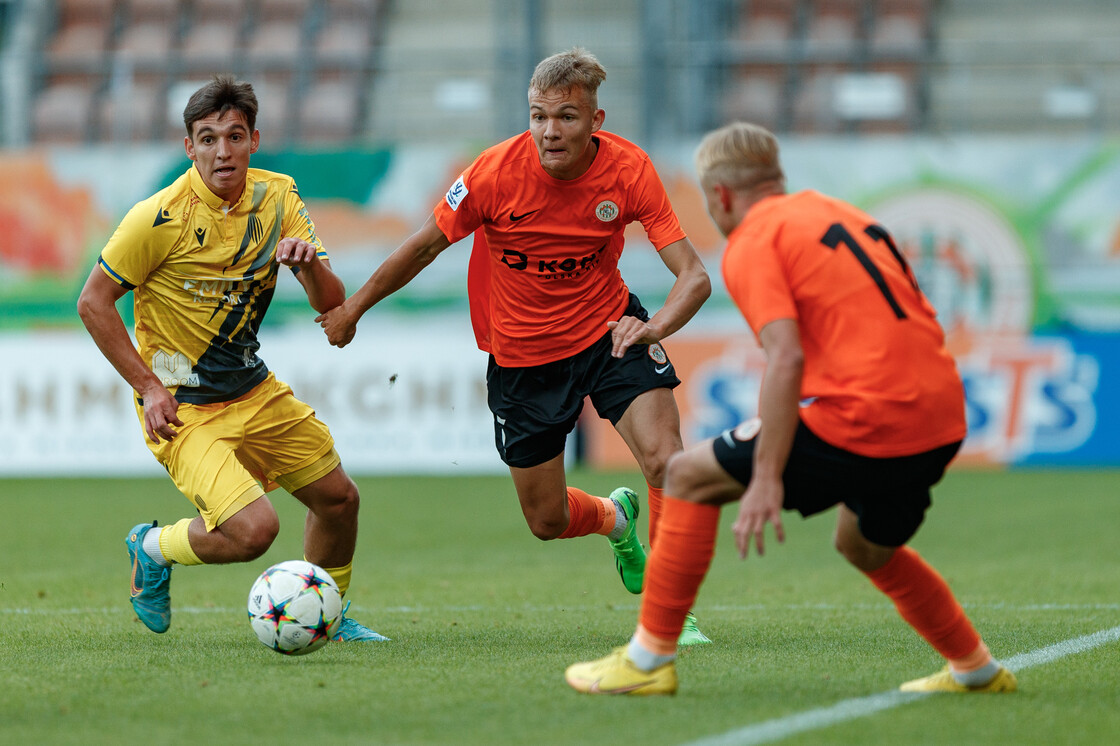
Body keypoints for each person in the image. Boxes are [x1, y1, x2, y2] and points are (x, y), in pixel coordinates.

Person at [565, 121, 1018, 695]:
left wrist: (767, 478)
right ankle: (977, 669)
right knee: (863, 544)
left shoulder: (755, 240)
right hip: (942, 410)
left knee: (688, 474)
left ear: (722, 196)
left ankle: (647, 660)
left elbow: (784, 358)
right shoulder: (844, 215)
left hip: (870, 410)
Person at [317, 48, 713, 644]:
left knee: (666, 459)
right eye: (539, 115)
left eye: (567, 117)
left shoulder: (630, 171)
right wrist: (353, 309)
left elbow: (695, 276)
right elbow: (424, 246)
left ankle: (669, 614)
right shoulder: (491, 173)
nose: (550, 131)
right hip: (524, 360)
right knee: (546, 520)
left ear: (596, 122)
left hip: (612, 332)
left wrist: (654, 328)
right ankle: (613, 518)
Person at [76, 74, 386, 642]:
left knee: (339, 501)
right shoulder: (156, 217)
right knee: (253, 532)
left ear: (254, 139)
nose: (224, 151)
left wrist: (306, 265)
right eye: (209, 137)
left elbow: (331, 302)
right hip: (184, 408)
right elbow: (93, 301)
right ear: (189, 146)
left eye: (235, 136)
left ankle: (332, 617)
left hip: (254, 390)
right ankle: (151, 546)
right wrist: (148, 387)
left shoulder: (278, 197)